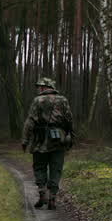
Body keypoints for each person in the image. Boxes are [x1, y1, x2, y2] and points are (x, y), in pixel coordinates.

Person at [21, 76, 74, 210]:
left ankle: (42, 192)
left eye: (40, 86)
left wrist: (25, 140)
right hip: (59, 139)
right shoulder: (63, 100)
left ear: (45, 87)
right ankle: (53, 197)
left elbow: (30, 121)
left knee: (39, 166)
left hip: (40, 140)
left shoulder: (37, 100)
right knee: (56, 168)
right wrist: (71, 137)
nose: (39, 88)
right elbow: (69, 120)